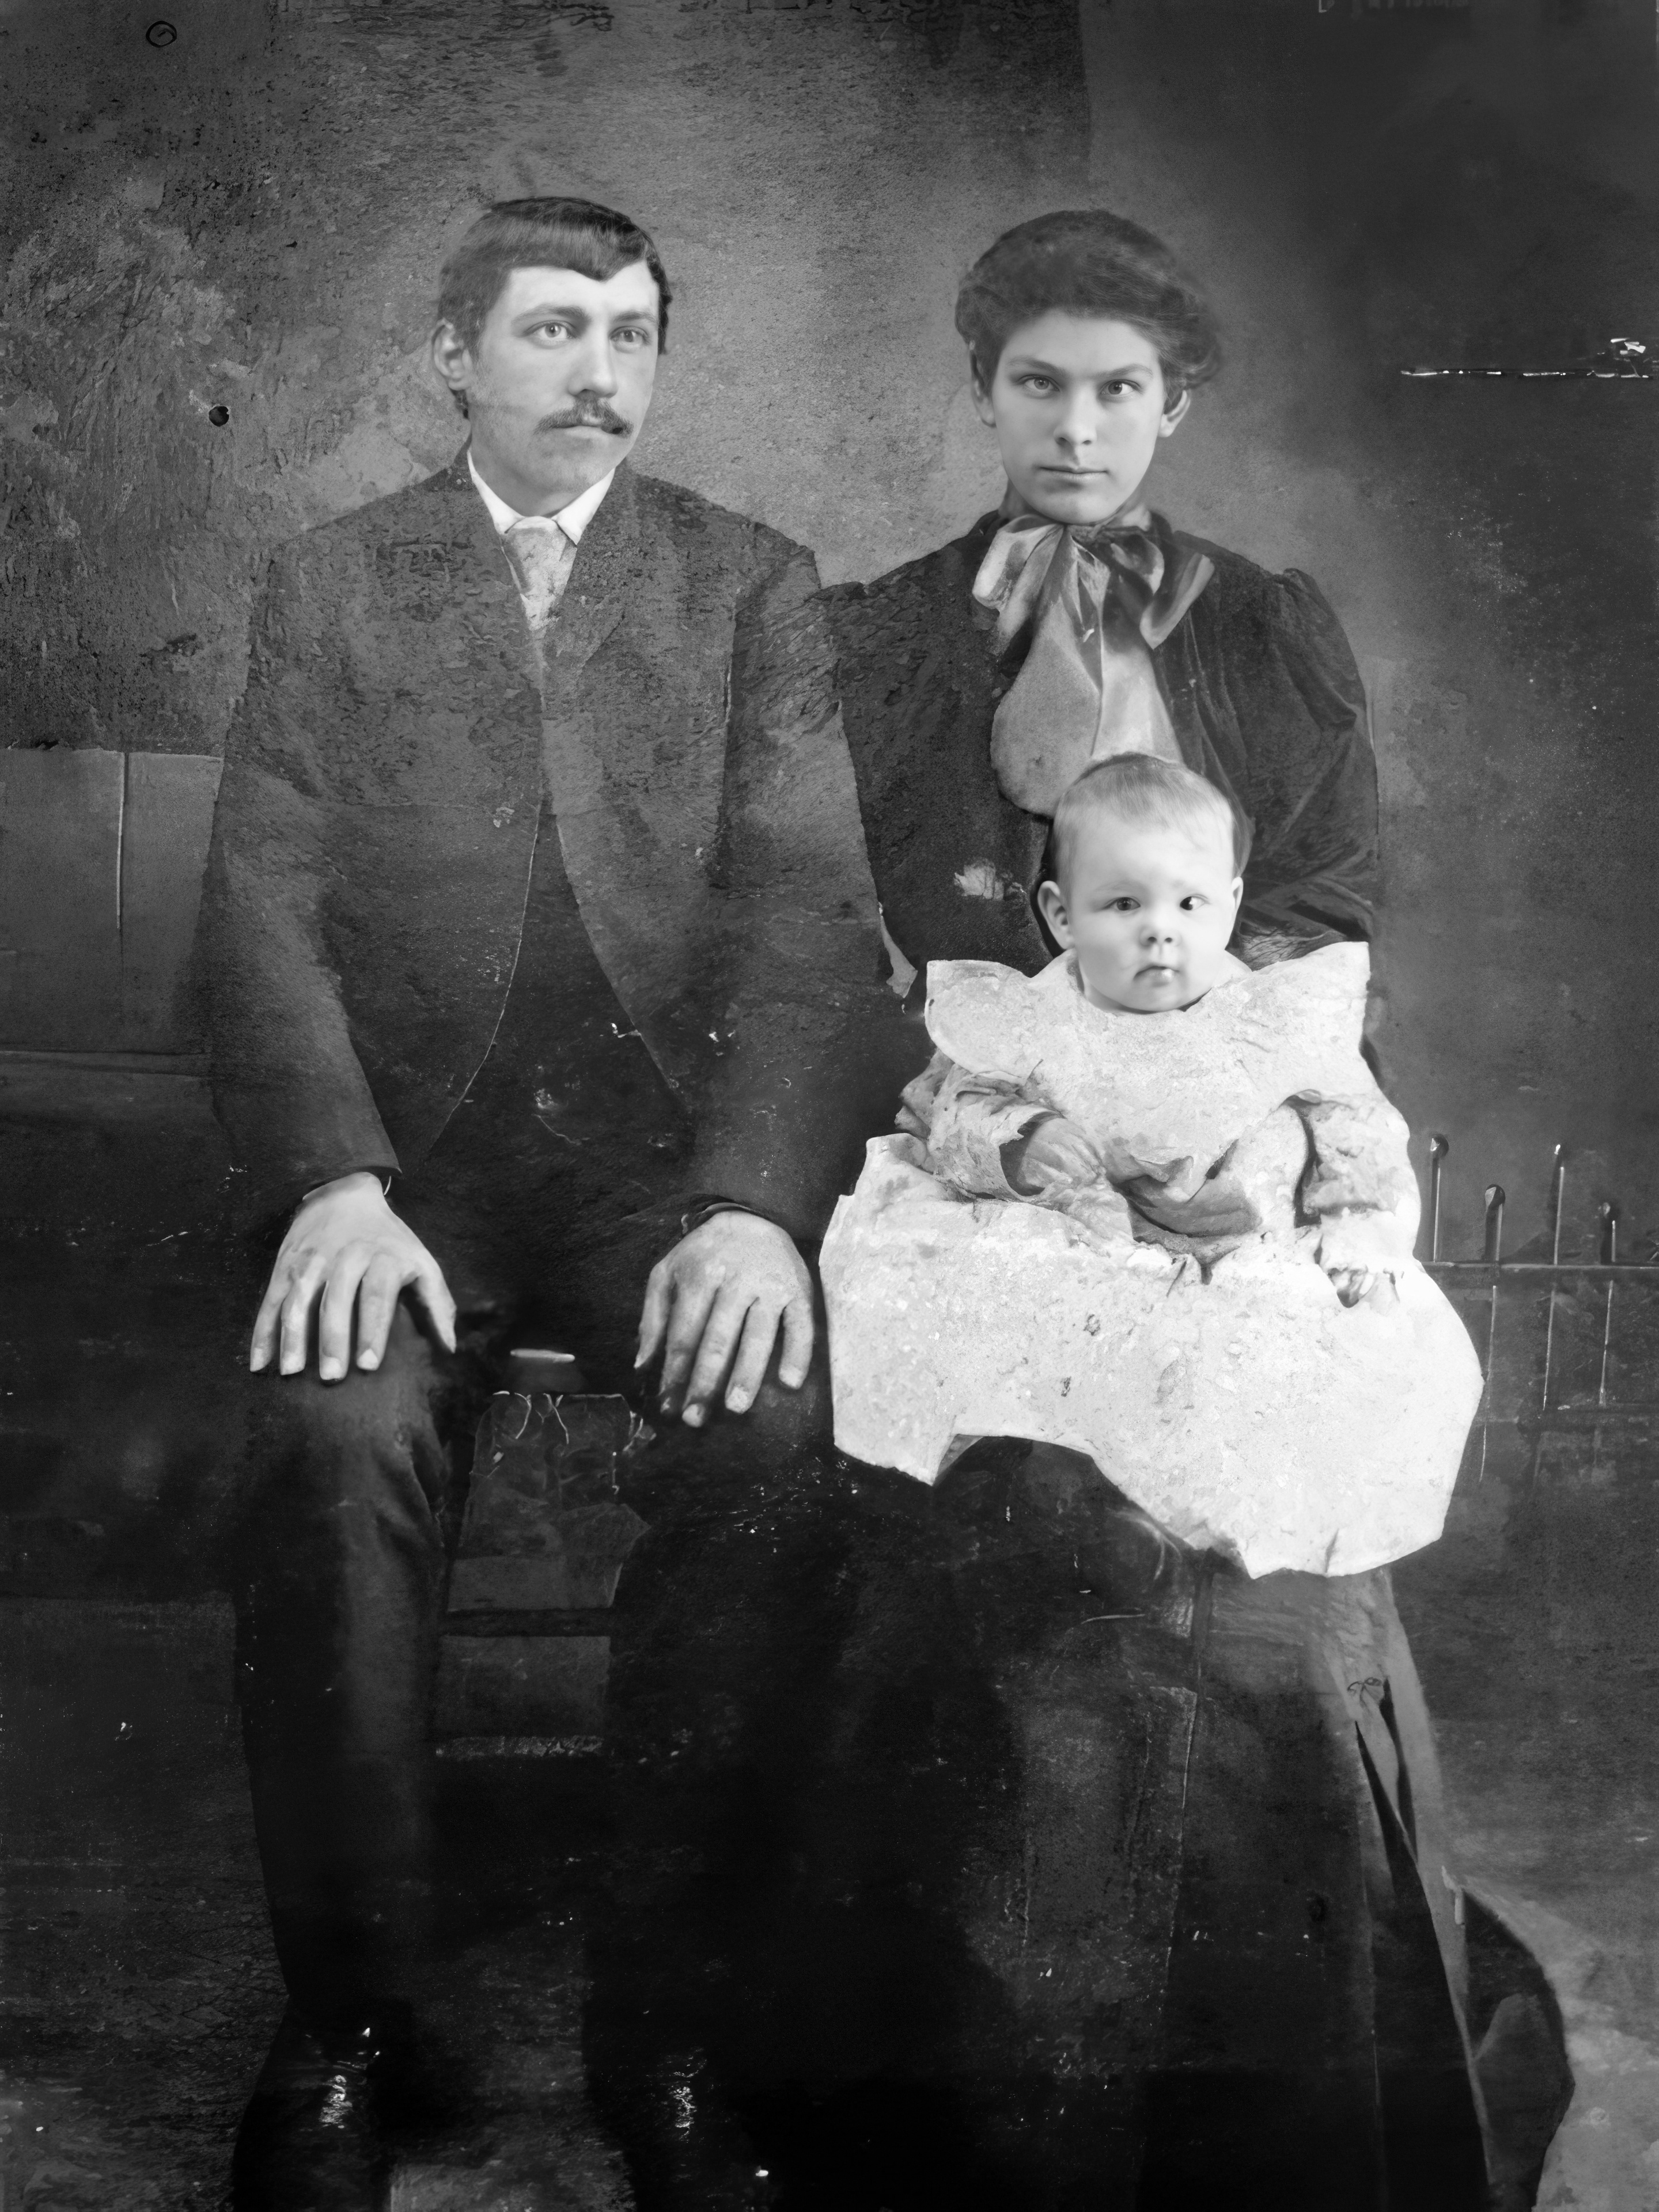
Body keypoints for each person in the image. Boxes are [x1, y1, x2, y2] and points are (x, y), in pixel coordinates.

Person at [592, 211, 1571, 2210]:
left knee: (1240, 1526)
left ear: (1175, 406)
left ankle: (1244, 2005)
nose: (1076, 424)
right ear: (984, 392)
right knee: (1005, 1507)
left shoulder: (1266, 625)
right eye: (1037, 381)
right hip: (972, 1130)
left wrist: (1235, 1105)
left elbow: (1324, 902)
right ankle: (928, 2018)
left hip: (1228, 1117)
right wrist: (1021, 1110)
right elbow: (813, 921)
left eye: (1120, 388)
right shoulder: (871, 631)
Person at [196, 194, 903, 2211]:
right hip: (407, 1175)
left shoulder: (746, 585)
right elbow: (257, 901)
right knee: (331, 1443)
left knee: (773, 1431)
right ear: (452, 354)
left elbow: (801, 925)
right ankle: (345, 2030)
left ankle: (665, 2027)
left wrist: (756, 1207)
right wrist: (334, 1178)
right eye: (551, 331)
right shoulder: (334, 580)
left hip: (656, 1175)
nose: (602, 373)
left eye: (634, 333)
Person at [822, 752, 1484, 1580]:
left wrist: (1356, 1221)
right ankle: (1072, 1499)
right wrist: (1022, 1143)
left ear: (1231, 906)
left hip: (1237, 1247)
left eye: (1190, 903)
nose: (1160, 929)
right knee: (980, 1293)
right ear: (1063, 917)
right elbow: (951, 1116)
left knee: (1298, 1353)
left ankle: (1204, 1522)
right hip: (1091, 1253)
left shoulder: (1267, 1020)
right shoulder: (1035, 1019)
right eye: (1125, 904)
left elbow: (1355, 1119)